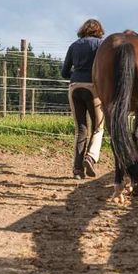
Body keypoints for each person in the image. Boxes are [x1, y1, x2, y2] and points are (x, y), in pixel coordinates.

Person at [61, 19, 105, 179]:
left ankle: (77, 169)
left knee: (81, 129)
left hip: (74, 88)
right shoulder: (100, 44)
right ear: (98, 30)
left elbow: (64, 72)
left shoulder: (73, 45)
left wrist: (76, 74)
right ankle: (91, 157)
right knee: (98, 127)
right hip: (93, 88)